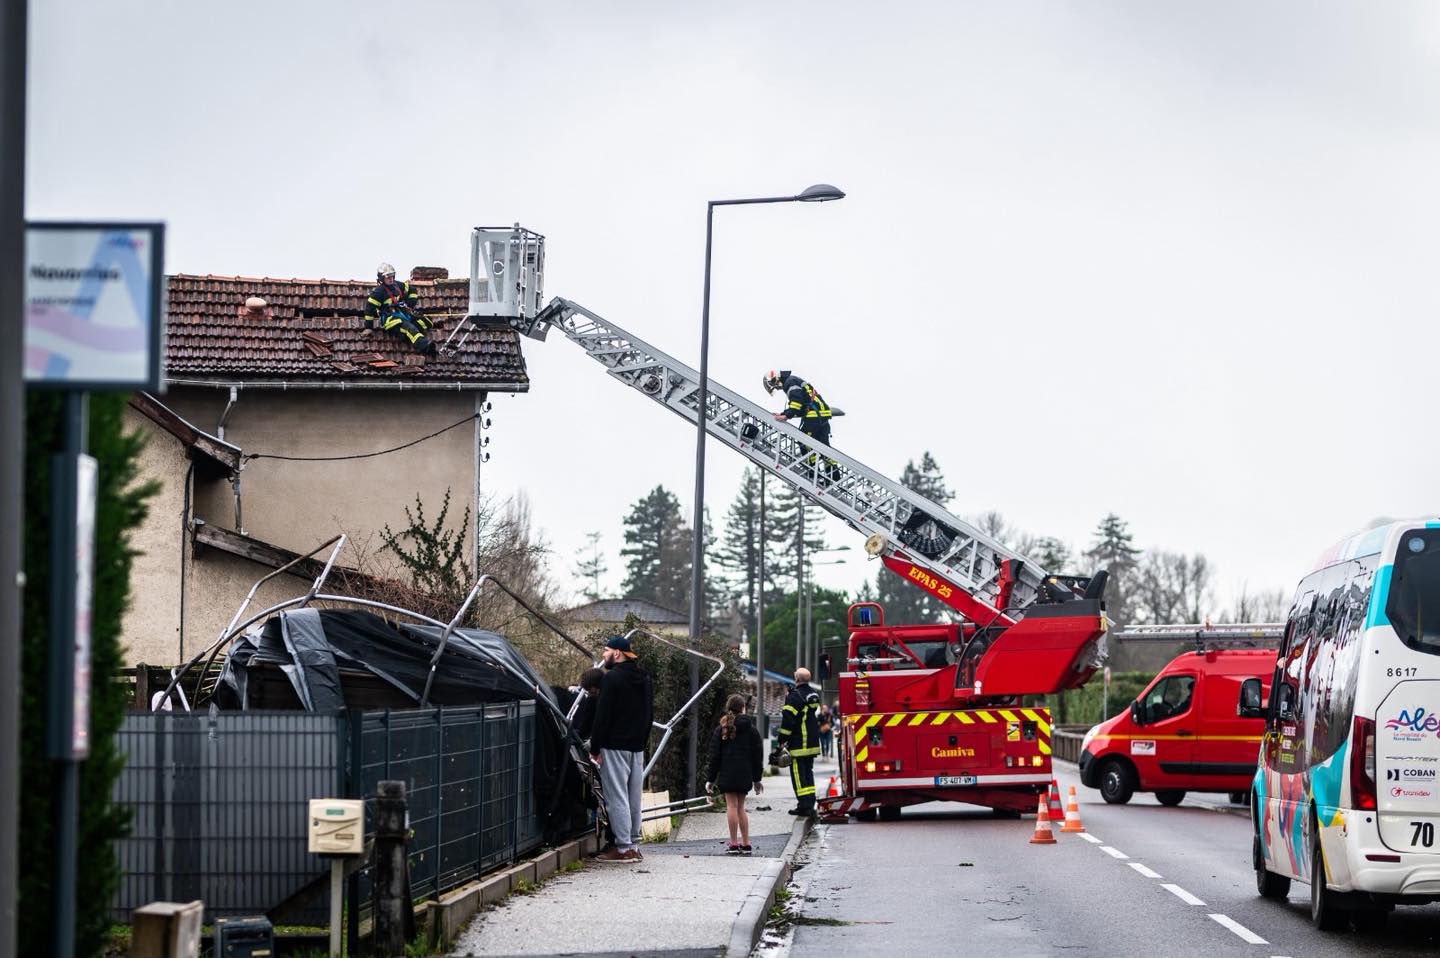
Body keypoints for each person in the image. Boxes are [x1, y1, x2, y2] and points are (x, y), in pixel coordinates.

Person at [589, 636, 654, 863]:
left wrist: (595, 747)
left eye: (606, 651)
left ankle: (623, 847)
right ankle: (634, 844)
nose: (603, 656)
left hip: (614, 745)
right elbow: (649, 714)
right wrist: (642, 742)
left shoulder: (611, 679)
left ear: (617, 653)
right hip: (637, 747)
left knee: (616, 797)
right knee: (633, 797)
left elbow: (602, 716)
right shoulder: (644, 678)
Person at [706, 693, 765, 855]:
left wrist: (710, 779)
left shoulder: (722, 729)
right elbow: (757, 756)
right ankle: (746, 843)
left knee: (731, 806)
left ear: (728, 708)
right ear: (743, 708)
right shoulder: (752, 730)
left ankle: (733, 843)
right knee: (741, 807)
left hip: (727, 774)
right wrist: (757, 779)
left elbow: (714, 756)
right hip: (744, 774)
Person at [763, 370, 837, 479]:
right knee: (824, 448)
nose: (777, 388)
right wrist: (784, 413)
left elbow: (797, 402)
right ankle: (834, 477)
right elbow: (801, 402)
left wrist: (786, 416)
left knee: (804, 443)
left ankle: (813, 475)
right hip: (822, 415)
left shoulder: (789, 382)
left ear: (776, 380)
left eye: (775, 386)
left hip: (813, 416)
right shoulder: (793, 380)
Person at [773, 667, 821, 816]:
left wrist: (781, 740)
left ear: (797, 679)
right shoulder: (813, 694)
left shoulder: (794, 696)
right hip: (812, 743)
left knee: (798, 775)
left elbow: (788, 722)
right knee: (808, 772)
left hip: (799, 743)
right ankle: (810, 802)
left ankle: (803, 806)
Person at [363, 262, 438, 357]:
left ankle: (405, 336)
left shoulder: (398, 285)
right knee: (409, 328)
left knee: (426, 322)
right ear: (382, 278)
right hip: (391, 320)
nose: (391, 279)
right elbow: (369, 310)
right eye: (388, 277)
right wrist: (368, 327)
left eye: (392, 276)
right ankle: (425, 347)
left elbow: (412, 290)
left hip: (404, 313)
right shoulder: (378, 292)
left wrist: (410, 303)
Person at [571, 667, 605, 746]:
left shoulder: (609, 700)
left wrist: (595, 739)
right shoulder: (592, 700)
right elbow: (587, 722)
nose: (591, 695)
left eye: (593, 692)